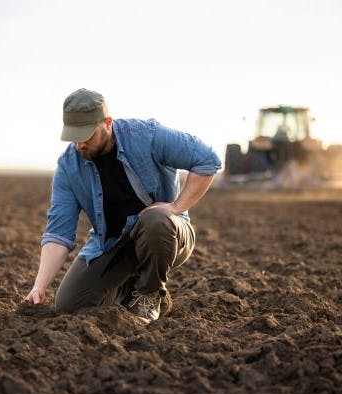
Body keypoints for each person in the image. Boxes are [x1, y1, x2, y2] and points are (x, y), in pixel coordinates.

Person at [25, 88, 221, 323]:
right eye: (74, 137)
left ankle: (149, 296)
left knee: (155, 220)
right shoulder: (69, 167)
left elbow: (208, 160)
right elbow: (58, 233)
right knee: (70, 304)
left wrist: (176, 207)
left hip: (167, 236)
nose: (80, 145)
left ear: (107, 123)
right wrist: (39, 286)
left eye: (87, 136)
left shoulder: (146, 136)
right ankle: (130, 292)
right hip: (113, 244)